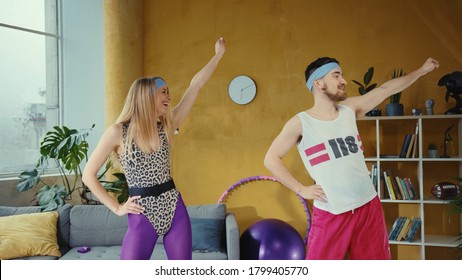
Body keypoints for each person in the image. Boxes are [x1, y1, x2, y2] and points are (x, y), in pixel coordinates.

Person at [264, 57, 439, 260]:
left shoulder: (350, 108)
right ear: (317, 83)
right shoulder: (301, 123)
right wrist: (301, 189)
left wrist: (421, 71)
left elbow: (385, 90)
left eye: (342, 75)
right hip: (332, 212)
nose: (344, 81)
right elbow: (271, 158)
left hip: (368, 206)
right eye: (336, 75)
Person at [82, 37, 226, 260]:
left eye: (168, 92)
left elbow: (195, 86)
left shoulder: (168, 126)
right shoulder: (117, 132)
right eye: (164, 92)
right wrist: (117, 208)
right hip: (142, 213)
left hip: (173, 207)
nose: (169, 96)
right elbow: (88, 175)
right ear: (147, 95)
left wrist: (218, 56)